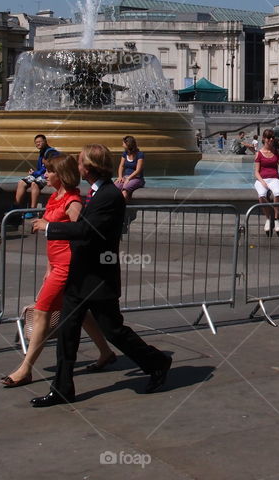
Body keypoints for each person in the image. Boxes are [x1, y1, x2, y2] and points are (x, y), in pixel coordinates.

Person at [29, 145, 172, 407]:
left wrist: (49, 227)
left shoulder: (109, 196)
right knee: (67, 332)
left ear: (90, 167)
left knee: (114, 331)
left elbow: (86, 230)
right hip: (80, 274)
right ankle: (62, 389)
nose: (77, 166)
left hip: (98, 277)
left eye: (81, 162)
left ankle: (157, 362)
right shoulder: (95, 194)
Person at [1, 154, 115, 388]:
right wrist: (48, 267)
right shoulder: (55, 197)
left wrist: (49, 226)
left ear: (61, 175)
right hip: (57, 264)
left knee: (42, 311)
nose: (45, 175)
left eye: (50, 171)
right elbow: (53, 241)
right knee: (81, 313)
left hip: (68, 266)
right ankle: (106, 352)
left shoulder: (73, 201)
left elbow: (81, 232)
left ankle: (26, 368)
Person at [254, 128, 279, 234]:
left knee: (277, 192)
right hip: (261, 179)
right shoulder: (259, 154)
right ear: (264, 138)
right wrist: (262, 182)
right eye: (268, 137)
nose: (270, 139)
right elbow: (256, 172)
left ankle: (276, 219)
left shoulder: (277, 152)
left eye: (272, 137)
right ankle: (268, 219)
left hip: (274, 178)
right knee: (262, 194)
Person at [14, 134, 57, 217]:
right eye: (36, 143)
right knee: (21, 182)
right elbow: (41, 168)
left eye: (40, 142)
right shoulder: (42, 152)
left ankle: (32, 210)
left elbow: (46, 168)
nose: (38, 144)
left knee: (35, 184)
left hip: (48, 174)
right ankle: (16, 206)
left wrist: (34, 173)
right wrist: (34, 172)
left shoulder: (51, 152)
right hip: (39, 173)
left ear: (45, 141)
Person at [115, 135, 145, 201]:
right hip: (126, 177)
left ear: (128, 144)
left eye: (123, 143)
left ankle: (122, 208)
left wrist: (129, 178)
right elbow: (121, 166)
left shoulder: (140, 154)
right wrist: (120, 177)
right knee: (115, 187)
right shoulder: (125, 154)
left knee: (125, 190)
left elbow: (138, 170)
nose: (122, 145)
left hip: (137, 178)